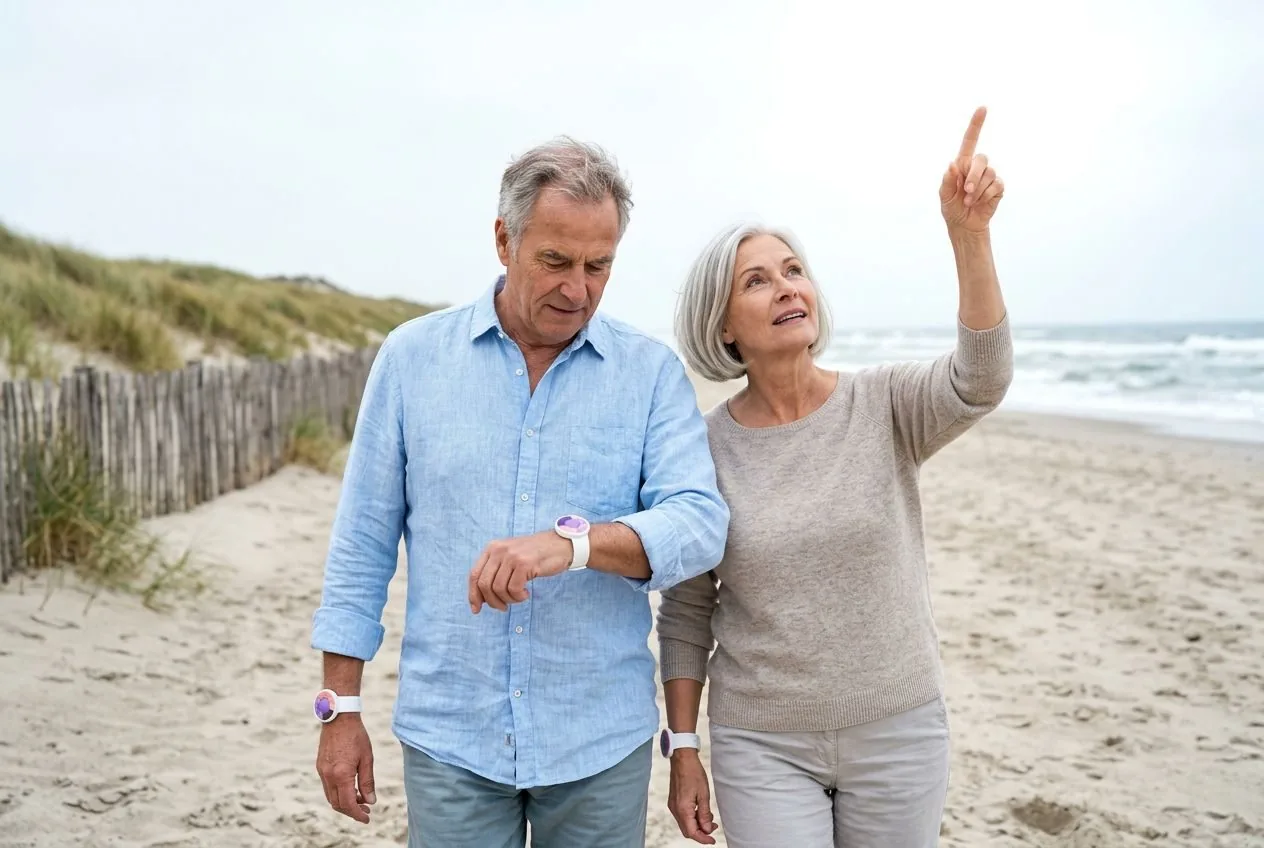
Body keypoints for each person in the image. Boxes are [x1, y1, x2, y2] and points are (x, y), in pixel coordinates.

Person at [309, 136, 730, 848]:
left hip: (600, 740)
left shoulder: (651, 374)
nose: (578, 290)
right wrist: (339, 706)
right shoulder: (411, 360)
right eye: (556, 261)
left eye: (599, 266)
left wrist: (573, 547)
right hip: (452, 735)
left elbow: (698, 523)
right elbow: (361, 544)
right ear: (504, 240)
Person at [656, 107, 1015, 847]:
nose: (788, 288)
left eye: (795, 271)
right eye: (758, 281)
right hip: (762, 745)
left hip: (900, 730)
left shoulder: (884, 404)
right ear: (723, 325)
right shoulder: (702, 450)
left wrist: (969, 236)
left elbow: (981, 380)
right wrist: (684, 748)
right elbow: (687, 611)